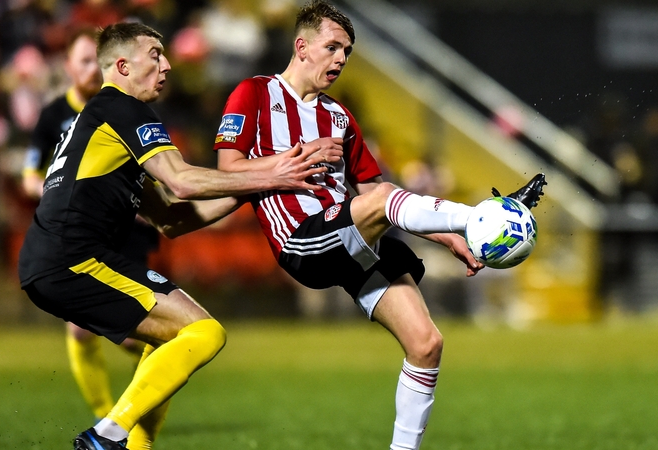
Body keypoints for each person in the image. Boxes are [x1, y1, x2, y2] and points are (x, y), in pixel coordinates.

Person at [214, 2, 546, 449]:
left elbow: (377, 190)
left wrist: (447, 236)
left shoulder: (339, 117)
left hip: (349, 235)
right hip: (302, 239)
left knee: (426, 344)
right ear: (302, 46)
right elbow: (226, 169)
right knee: (383, 203)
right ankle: (483, 217)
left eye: (347, 51)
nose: (340, 59)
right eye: (332, 47)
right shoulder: (253, 94)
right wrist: (292, 161)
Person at [17, 22, 341, 450]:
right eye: (155, 55)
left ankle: (131, 445)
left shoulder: (100, 123)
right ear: (122, 66)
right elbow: (183, 181)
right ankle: (107, 435)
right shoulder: (122, 108)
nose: (167, 65)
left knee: (171, 336)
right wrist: (275, 168)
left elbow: (172, 217)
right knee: (207, 333)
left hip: (55, 260)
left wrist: (264, 184)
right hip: (72, 259)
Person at [20, 27, 161, 424]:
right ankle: (109, 417)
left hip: (128, 230)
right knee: (83, 330)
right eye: (81, 61)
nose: (89, 70)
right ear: (68, 67)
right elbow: (31, 175)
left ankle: (127, 415)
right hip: (79, 231)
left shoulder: (129, 108)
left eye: (91, 61)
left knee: (149, 330)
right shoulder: (54, 116)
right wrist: (66, 193)